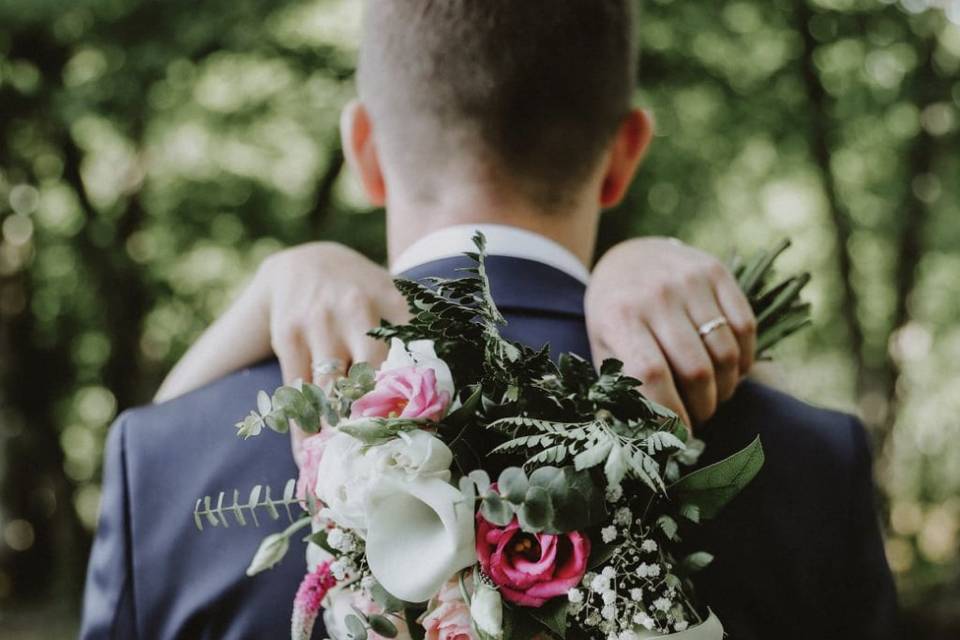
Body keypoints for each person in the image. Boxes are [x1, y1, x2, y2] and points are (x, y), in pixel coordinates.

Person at [80, 2, 898, 639]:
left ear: (363, 148)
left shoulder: (159, 462)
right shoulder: (813, 463)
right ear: (624, 155)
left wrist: (261, 293)